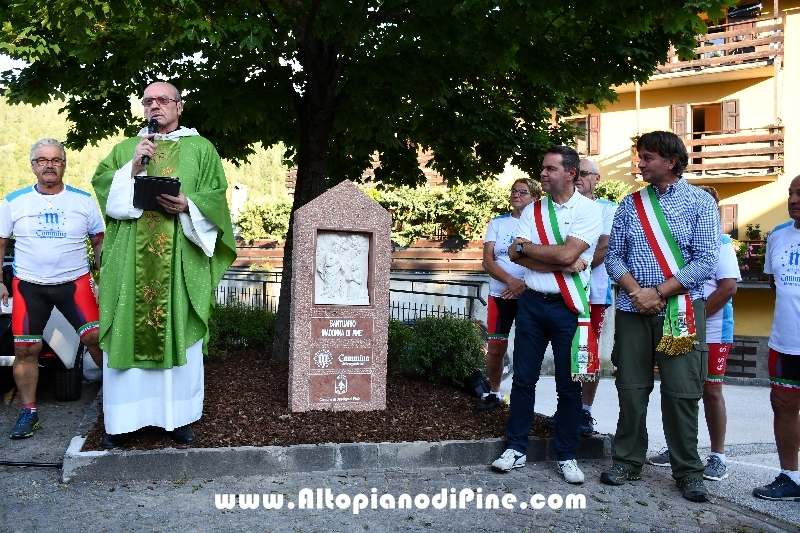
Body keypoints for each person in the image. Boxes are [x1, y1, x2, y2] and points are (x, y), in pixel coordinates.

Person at [91, 82, 236, 449]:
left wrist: (190, 205)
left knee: (178, 329)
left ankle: (178, 419)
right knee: (127, 331)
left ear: (179, 106)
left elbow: (216, 196)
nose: (155, 106)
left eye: (162, 100)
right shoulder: (127, 148)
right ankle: (122, 422)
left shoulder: (201, 149)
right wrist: (133, 167)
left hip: (179, 260)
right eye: (148, 101)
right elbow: (105, 187)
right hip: (129, 264)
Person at [601, 131, 720, 503]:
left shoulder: (701, 203)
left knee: (682, 392)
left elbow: (705, 260)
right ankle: (627, 461)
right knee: (631, 389)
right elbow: (613, 257)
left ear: (671, 161)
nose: (640, 164)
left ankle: (688, 471)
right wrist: (638, 293)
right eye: (640, 157)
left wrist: (659, 293)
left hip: (681, 308)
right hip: (632, 309)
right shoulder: (629, 203)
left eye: (648, 157)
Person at [491, 146, 602, 485]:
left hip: (568, 306)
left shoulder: (590, 210)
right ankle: (516, 448)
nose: (543, 173)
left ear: (571, 173)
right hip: (533, 304)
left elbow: (568, 251)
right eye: (543, 168)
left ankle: (566, 455)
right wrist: (560, 260)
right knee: (524, 379)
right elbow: (516, 254)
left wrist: (540, 252)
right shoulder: (533, 210)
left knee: (570, 386)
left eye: (550, 168)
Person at [0, 138, 104, 439]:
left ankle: (114, 401)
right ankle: (28, 412)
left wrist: (101, 272)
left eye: (55, 160)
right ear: (33, 165)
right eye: (42, 160)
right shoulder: (13, 201)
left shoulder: (82, 200)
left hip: (74, 282)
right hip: (29, 285)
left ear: (64, 165)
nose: (49, 165)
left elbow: (98, 239)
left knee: (97, 338)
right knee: (25, 348)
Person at [648, 185, 739, 482]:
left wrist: (696, 321)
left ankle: (718, 456)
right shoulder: (680, 240)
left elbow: (727, 288)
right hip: (680, 325)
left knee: (711, 391)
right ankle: (680, 449)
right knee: (678, 389)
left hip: (711, 329)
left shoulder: (722, 242)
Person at [543, 158, 617, 434]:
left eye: (586, 174)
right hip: (559, 288)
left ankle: (585, 411)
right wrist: (563, 262)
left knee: (587, 352)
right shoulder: (559, 207)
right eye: (578, 173)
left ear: (597, 179)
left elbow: (604, 246)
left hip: (593, 293)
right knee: (564, 353)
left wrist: (573, 265)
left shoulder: (608, 208)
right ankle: (565, 407)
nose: (580, 178)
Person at [751, 174, 800, 501]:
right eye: (791, 193)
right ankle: (790, 477)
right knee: (783, 405)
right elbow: (776, 284)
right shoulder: (779, 236)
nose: (794, 199)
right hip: (786, 341)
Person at [477, 178, 541, 410]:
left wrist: (522, 284)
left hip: (530, 294)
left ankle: (523, 398)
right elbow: (487, 260)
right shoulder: (498, 223)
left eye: (522, 192)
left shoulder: (539, 223)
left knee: (526, 349)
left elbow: (542, 256)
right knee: (495, 347)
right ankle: (494, 393)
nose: (516, 195)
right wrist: (510, 281)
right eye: (514, 191)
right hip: (500, 294)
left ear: (535, 197)